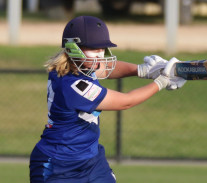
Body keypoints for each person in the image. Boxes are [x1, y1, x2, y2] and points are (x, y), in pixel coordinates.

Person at [29, 16, 186, 183]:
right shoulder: (73, 85)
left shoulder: (78, 68)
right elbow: (126, 101)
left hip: (91, 160)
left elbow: (107, 69)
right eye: (93, 49)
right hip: (58, 165)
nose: (99, 55)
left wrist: (143, 70)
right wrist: (161, 81)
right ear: (72, 49)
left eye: (101, 49)